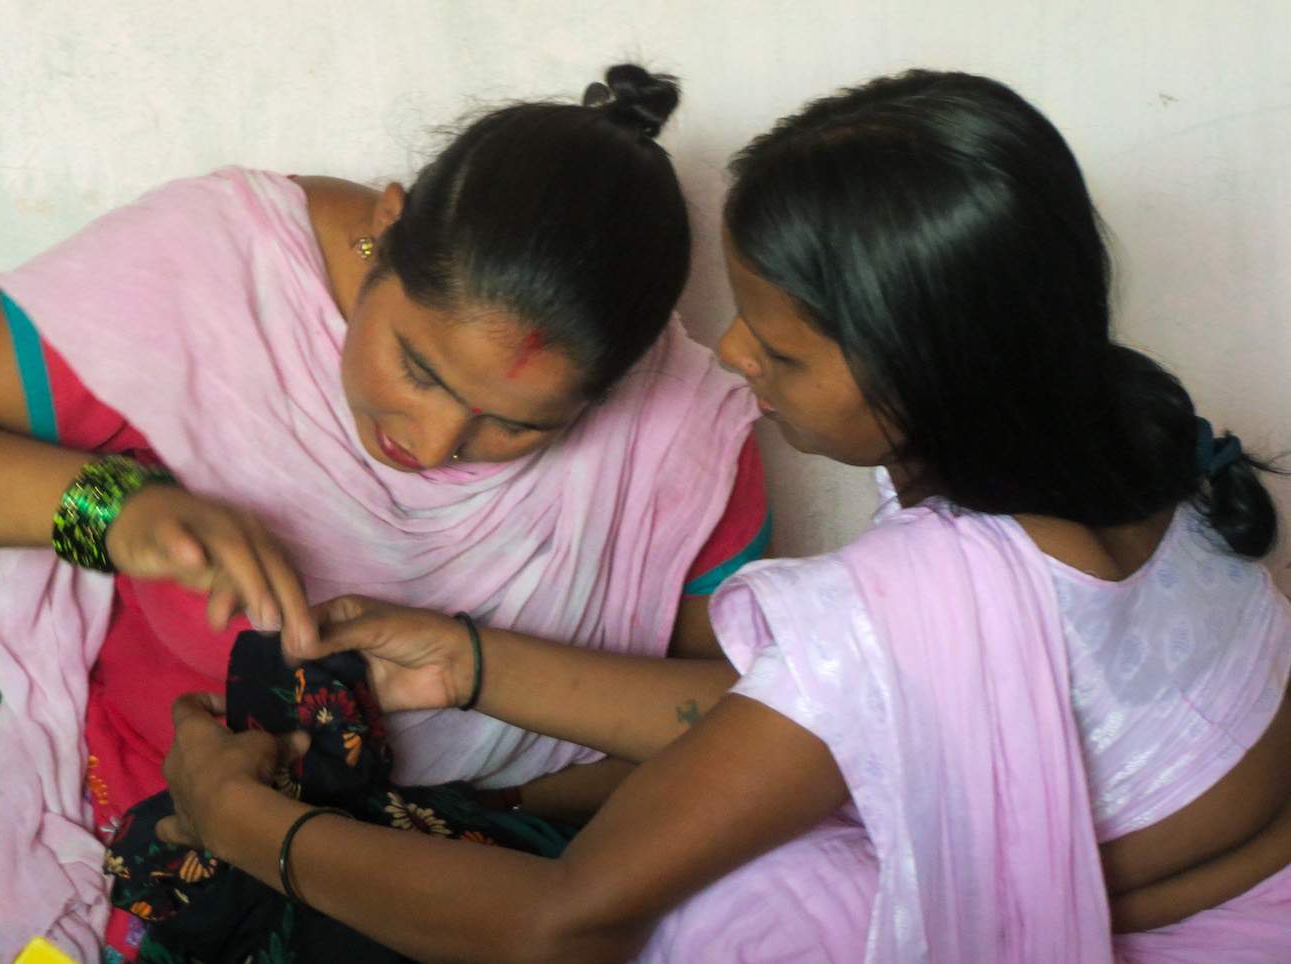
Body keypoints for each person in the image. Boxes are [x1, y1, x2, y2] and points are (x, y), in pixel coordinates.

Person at [157, 69, 1291, 961]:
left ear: (918, 369)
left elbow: (563, 923)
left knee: (732, 911)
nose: (733, 354)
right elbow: (792, 712)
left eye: (780, 349)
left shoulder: (916, 599)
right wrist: (468, 662)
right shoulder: (1115, 435)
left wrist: (242, 823)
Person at [0, 65, 766, 961]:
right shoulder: (223, 274)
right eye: (418, 369)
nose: (435, 441)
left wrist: (474, 801)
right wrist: (111, 509)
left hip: (426, 875)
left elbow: (745, 739)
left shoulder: (677, 444)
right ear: (387, 227)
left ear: (615, 388)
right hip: (107, 792)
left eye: (517, 426)